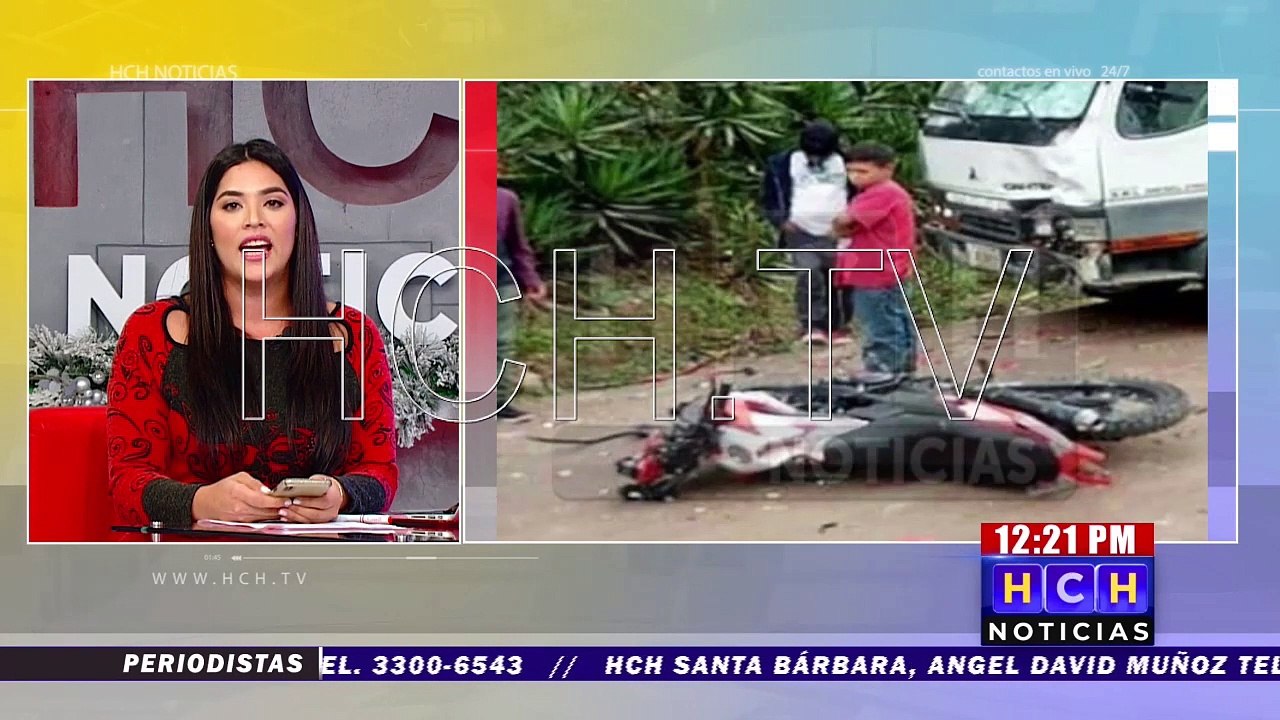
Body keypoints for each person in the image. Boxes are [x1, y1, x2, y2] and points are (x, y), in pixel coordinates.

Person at [106, 138, 399, 529]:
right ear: (209, 230)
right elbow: (127, 482)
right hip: (195, 574)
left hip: (322, 569)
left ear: (298, 222)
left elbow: (380, 471)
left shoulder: (355, 336)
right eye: (232, 205)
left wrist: (340, 495)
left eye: (273, 203)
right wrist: (202, 501)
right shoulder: (152, 334)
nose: (254, 219)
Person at [762, 120, 857, 344]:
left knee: (840, 279)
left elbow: (859, 191)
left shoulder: (847, 162)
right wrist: (781, 220)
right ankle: (812, 326)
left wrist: (854, 219)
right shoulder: (782, 164)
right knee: (808, 275)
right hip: (801, 232)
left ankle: (838, 326)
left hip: (839, 232)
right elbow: (769, 196)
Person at [831, 142, 919, 375]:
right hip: (888, 269)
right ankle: (902, 373)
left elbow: (844, 224)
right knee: (897, 323)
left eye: (863, 171)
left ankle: (883, 374)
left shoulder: (882, 193)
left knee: (882, 328)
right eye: (851, 171)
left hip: (875, 272)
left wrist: (839, 222)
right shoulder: (882, 193)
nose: (855, 177)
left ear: (887, 169)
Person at [496, 185, 548, 422]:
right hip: (455, 280)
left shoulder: (506, 199)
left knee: (501, 343)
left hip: (500, 280)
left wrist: (530, 279)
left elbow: (518, 245)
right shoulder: (444, 196)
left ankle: (500, 403)